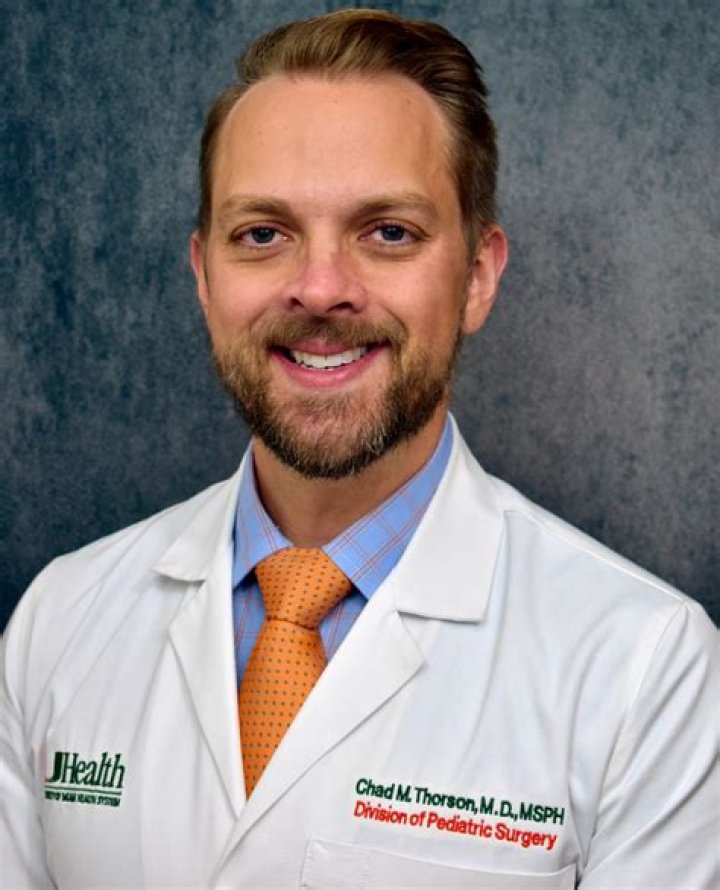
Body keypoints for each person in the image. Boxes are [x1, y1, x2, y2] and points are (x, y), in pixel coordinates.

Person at [1, 8, 716, 889]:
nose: (320, 289)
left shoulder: (645, 668)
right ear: (204, 275)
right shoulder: (60, 619)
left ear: (478, 277)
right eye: (263, 233)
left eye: (389, 232)